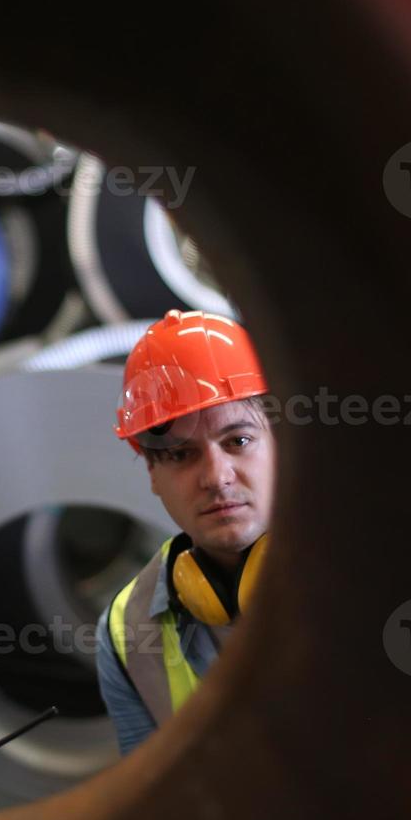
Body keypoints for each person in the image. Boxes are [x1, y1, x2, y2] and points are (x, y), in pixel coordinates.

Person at [95, 309, 276, 756]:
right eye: (180, 454)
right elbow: (157, 807)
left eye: (238, 441)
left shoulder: (365, 565)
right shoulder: (127, 631)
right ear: (152, 472)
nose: (216, 477)